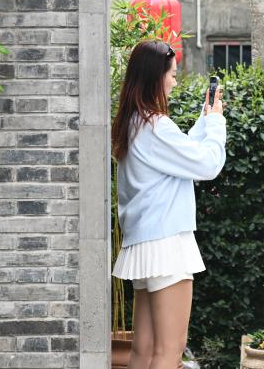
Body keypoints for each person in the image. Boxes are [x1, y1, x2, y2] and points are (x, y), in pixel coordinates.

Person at [111, 39, 226, 369]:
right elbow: (207, 165)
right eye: (172, 75)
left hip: (145, 246)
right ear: (155, 77)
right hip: (167, 246)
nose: (174, 82)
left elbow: (181, 155)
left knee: (144, 352)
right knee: (169, 351)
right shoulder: (156, 125)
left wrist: (205, 120)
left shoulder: (135, 123)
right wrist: (217, 123)